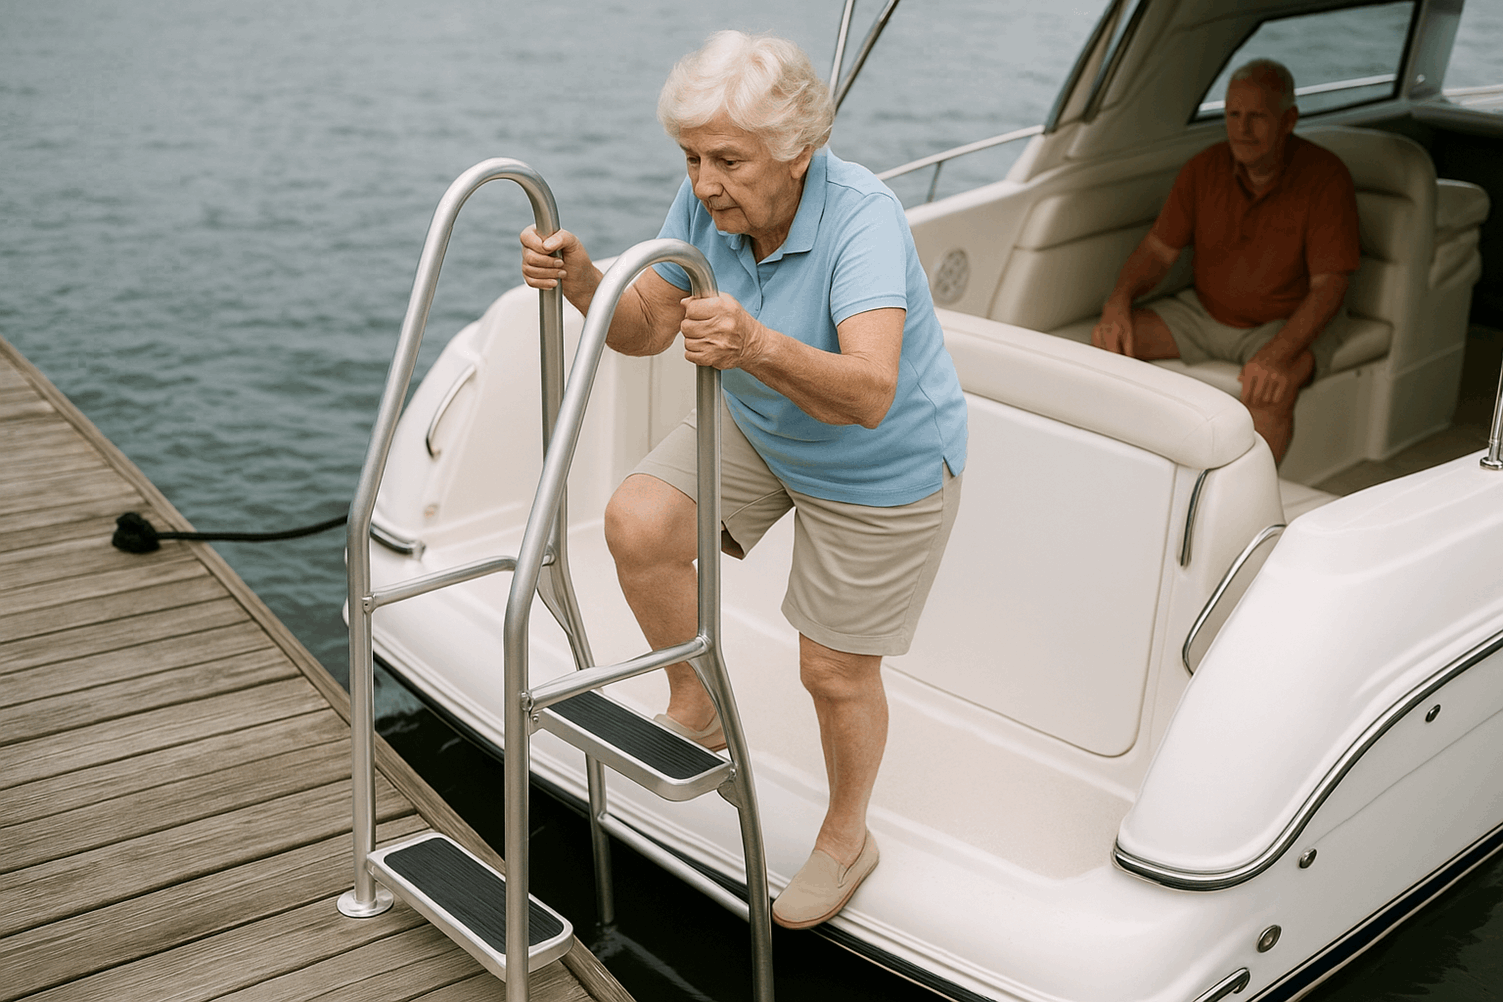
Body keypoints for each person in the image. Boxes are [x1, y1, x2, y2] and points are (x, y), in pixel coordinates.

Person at [519, 30, 967, 930]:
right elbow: (646, 328)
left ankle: (847, 836)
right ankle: (699, 705)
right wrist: (582, 281)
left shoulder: (862, 217)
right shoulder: (708, 205)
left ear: (797, 151)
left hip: (879, 460)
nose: (702, 181)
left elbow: (872, 391)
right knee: (637, 524)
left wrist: (754, 344)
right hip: (764, 425)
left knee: (832, 668)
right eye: (689, 157)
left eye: (727, 159)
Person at [1091, 58, 1360, 463]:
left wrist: (1277, 353)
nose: (1242, 128)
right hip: (1203, 313)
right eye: (1233, 114)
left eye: (1257, 116)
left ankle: (1251, 515)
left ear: (1289, 120)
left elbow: (1330, 287)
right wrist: (1118, 303)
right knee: (1109, 345)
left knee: (1271, 389)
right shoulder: (1203, 168)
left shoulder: (1326, 178)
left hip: (1284, 322)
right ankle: (1120, 469)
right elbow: (1157, 251)